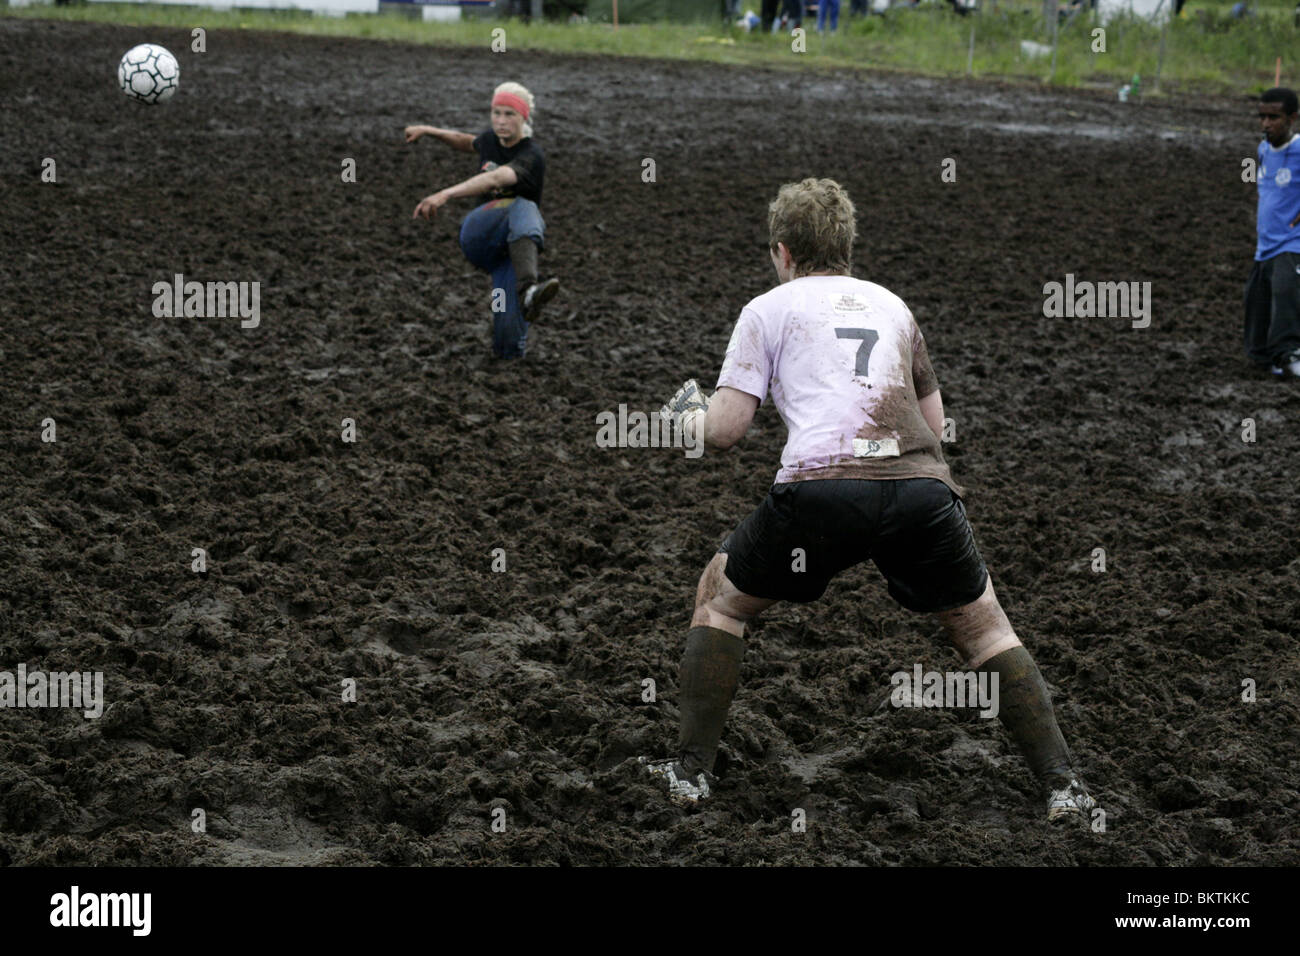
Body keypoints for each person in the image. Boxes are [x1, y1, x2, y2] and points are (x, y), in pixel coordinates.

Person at [643, 178, 1097, 822]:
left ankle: (690, 773)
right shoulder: (893, 306)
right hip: (921, 489)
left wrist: (679, 419)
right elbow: (936, 427)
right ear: (847, 245)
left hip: (823, 488)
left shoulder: (767, 309)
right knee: (985, 627)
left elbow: (723, 431)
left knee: (720, 599)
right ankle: (1064, 787)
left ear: (782, 252)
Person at [406, 82, 560, 360]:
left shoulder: (531, 155)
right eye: (496, 113)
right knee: (523, 206)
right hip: (479, 234)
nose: (501, 121)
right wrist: (429, 131)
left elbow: (497, 177)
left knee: (509, 339)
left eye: (509, 114)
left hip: (509, 252)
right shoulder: (490, 140)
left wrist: (445, 193)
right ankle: (528, 289)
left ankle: (514, 334)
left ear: (524, 117)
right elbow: (466, 141)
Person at [1245, 87, 1300, 378]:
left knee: (1285, 292)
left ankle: (1290, 354)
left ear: (1293, 118)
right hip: (1266, 243)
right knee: (1256, 301)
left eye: (1274, 117)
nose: (1266, 123)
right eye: (1262, 117)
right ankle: (1264, 357)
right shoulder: (1264, 148)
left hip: (1293, 243)